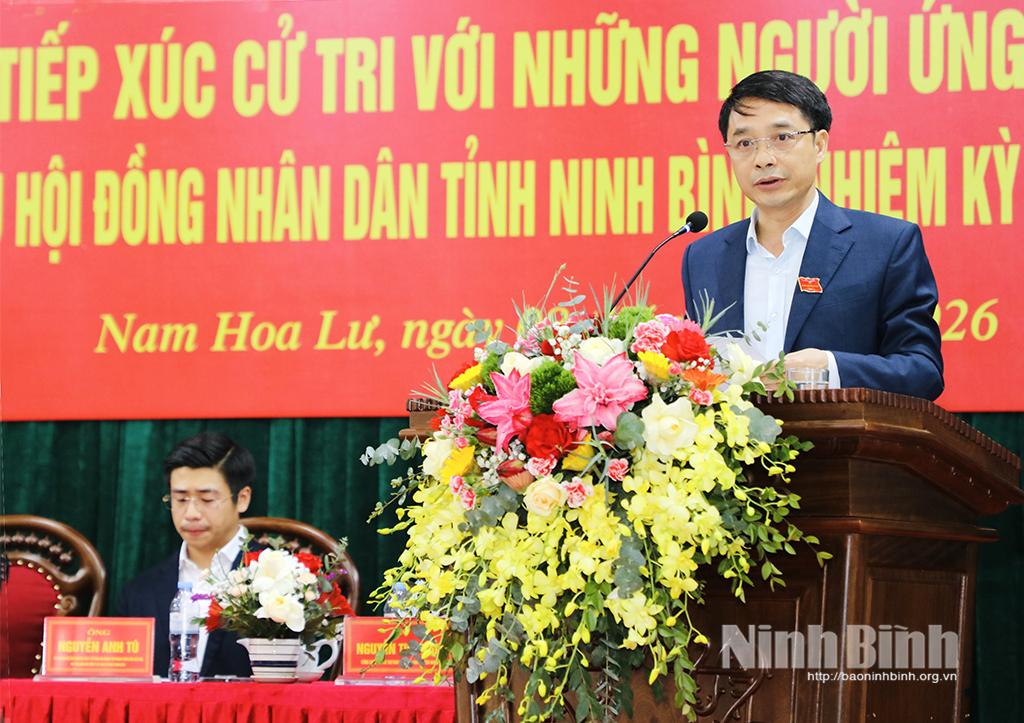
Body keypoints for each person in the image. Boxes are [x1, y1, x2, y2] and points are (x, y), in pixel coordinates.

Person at [681, 70, 943, 400]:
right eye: (745, 143)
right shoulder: (703, 257)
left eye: (782, 137)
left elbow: (922, 372)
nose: (763, 159)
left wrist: (829, 368)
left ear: (819, 145)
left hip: (841, 433)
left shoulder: (886, 245)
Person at [118, 432, 255, 677]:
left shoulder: (284, 583)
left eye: (207, 499)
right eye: (180, 499)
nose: (191, 513)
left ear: (242, 499)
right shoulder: (139, 593)